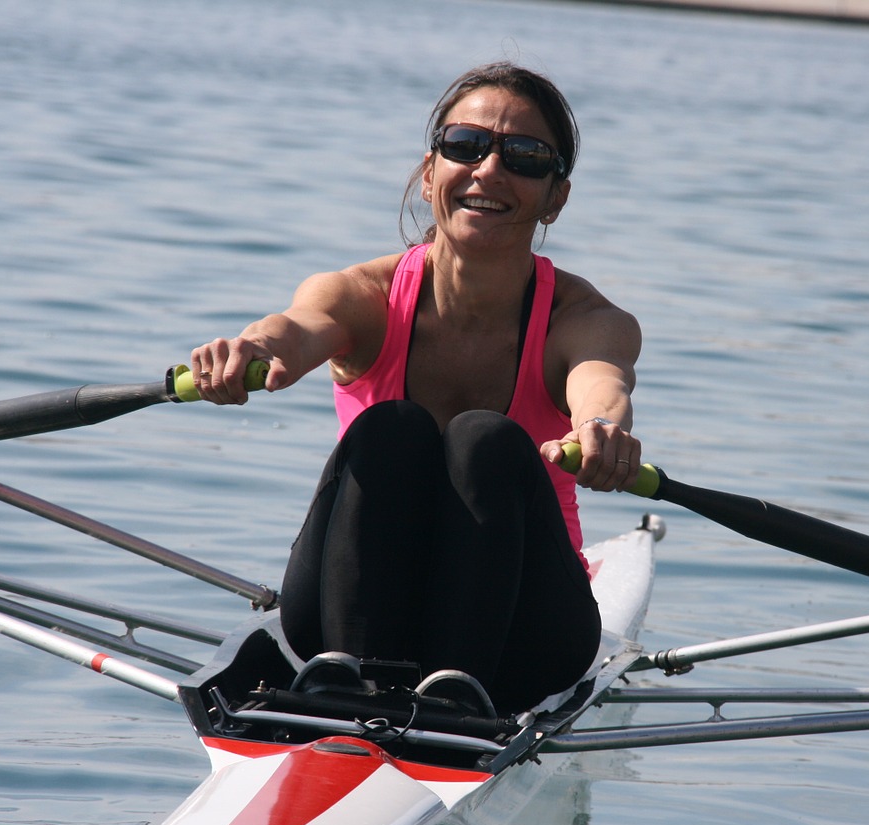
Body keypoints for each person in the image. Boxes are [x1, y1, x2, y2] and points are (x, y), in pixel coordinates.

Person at [190, 62, 642, 714]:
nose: (488, 169)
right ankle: (344, 678)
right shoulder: (359, 296)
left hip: (523, 636)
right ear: (430, 172)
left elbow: (601, 381)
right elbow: (294, 329)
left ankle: (461, 693)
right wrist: (250, 351)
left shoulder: (586, 319)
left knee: (483, 439)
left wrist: (603, 428)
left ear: (556, 196)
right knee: (392, 427)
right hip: (340, 623)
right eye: (465, 146)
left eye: (525, 156)